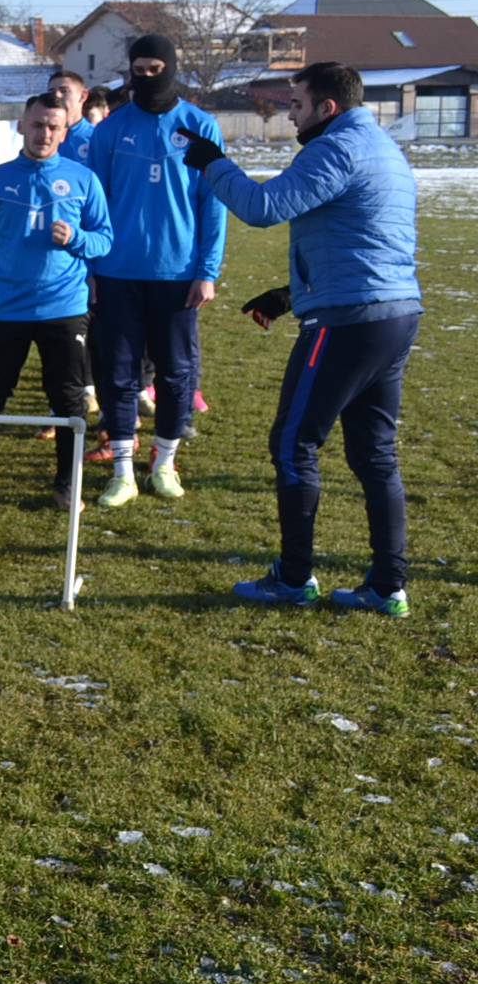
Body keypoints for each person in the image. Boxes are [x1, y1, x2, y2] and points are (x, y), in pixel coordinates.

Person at [177, 62, 422, 615]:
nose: (290, 113)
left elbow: (263, 208)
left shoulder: (337, 149)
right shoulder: (381, 147)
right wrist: (291, 293)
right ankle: (388, 586)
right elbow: (363, 238)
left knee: (293, 445)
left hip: (348, 322)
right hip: (392, 313)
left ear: (326, 107)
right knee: (375, 454)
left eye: (296, 103)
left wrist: (214, 162)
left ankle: (292, 577)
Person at [85, 35, 225, 507]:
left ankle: (164, 463)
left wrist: (207, 270)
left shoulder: (200, 125)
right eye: (138, 70)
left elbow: (213, 204)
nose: (146, 78)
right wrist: (92, 268)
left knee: (175, 374)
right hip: (118, 272)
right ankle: (123, 470)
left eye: (155, 69)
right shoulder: (110, 130)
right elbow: (94, 205)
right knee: (118, 374)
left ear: (171, 68)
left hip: (178, 274)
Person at [0, 93, 113, 512]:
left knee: (68, 401)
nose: (44, 133)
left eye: (53, 127)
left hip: (64, 309)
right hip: (4, 309)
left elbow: (105, 239)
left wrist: (76, 239)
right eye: (38, 124)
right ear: (22, 126)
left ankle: (66, 484)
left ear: (65, 131)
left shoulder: (84, 180)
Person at [48, 69, 95, 165]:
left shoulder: (96, 136)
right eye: (52, 92)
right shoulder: (44, 135)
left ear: (83, 96)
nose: (57, 96)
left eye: (64, 91)